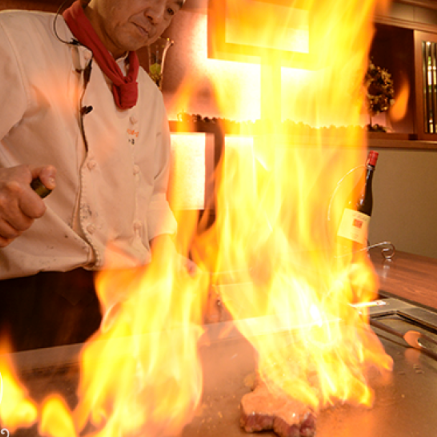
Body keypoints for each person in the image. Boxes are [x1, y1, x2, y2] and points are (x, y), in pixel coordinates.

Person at [0, 0, 186, 350]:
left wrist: (165, 264)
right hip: (29, 304)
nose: (157, 17)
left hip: (124, 305)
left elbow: (152, 196)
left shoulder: (147, 93)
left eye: (171, 10)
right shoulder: (14, 41)